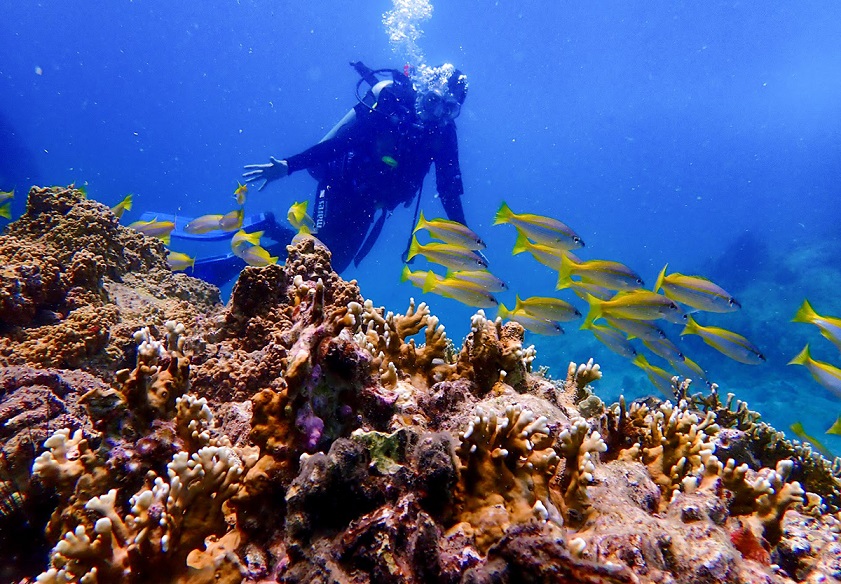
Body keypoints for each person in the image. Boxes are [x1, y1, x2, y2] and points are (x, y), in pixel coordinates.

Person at [243, 62, 470, 273]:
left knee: (334, 264)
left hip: (370, 201)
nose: (438, 113)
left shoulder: (444, 134)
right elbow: (341, 144)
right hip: (341, 183)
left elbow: (449, 189)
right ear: (423, 92)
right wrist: (289, 165)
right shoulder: (393, 109)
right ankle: (245, 259)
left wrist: (466, 241)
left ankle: (269, 227)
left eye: (449, 108)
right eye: (433, 101)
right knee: (319, 256)